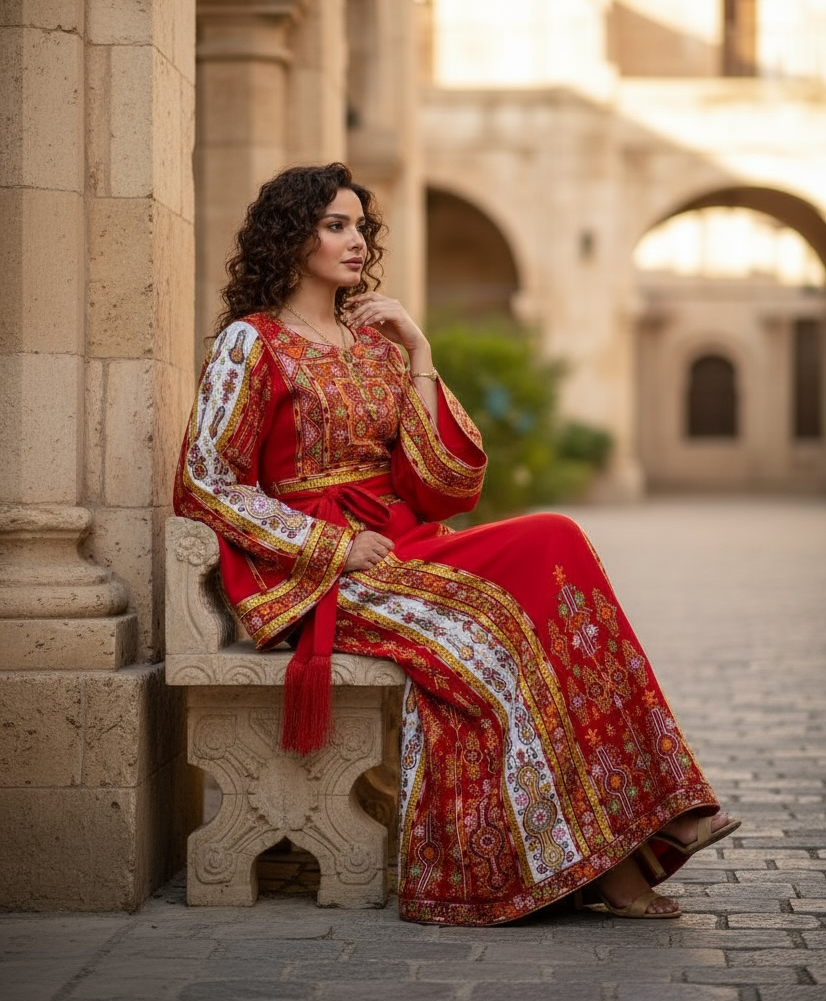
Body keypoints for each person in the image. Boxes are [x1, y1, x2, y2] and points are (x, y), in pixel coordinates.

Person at [174, 162, 739, 927]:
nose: (354, 241)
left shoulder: (373, 342)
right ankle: (616, 859)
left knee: (555, 541)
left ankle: (634, 829)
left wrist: (419, 353)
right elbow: (207, 479)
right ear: (290, 235)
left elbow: (446, 487)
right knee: (500, 627)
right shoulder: (252, 343)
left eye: (360, 227)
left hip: (404, 544)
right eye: (334, 225)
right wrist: (331, 546)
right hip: (316, 574)